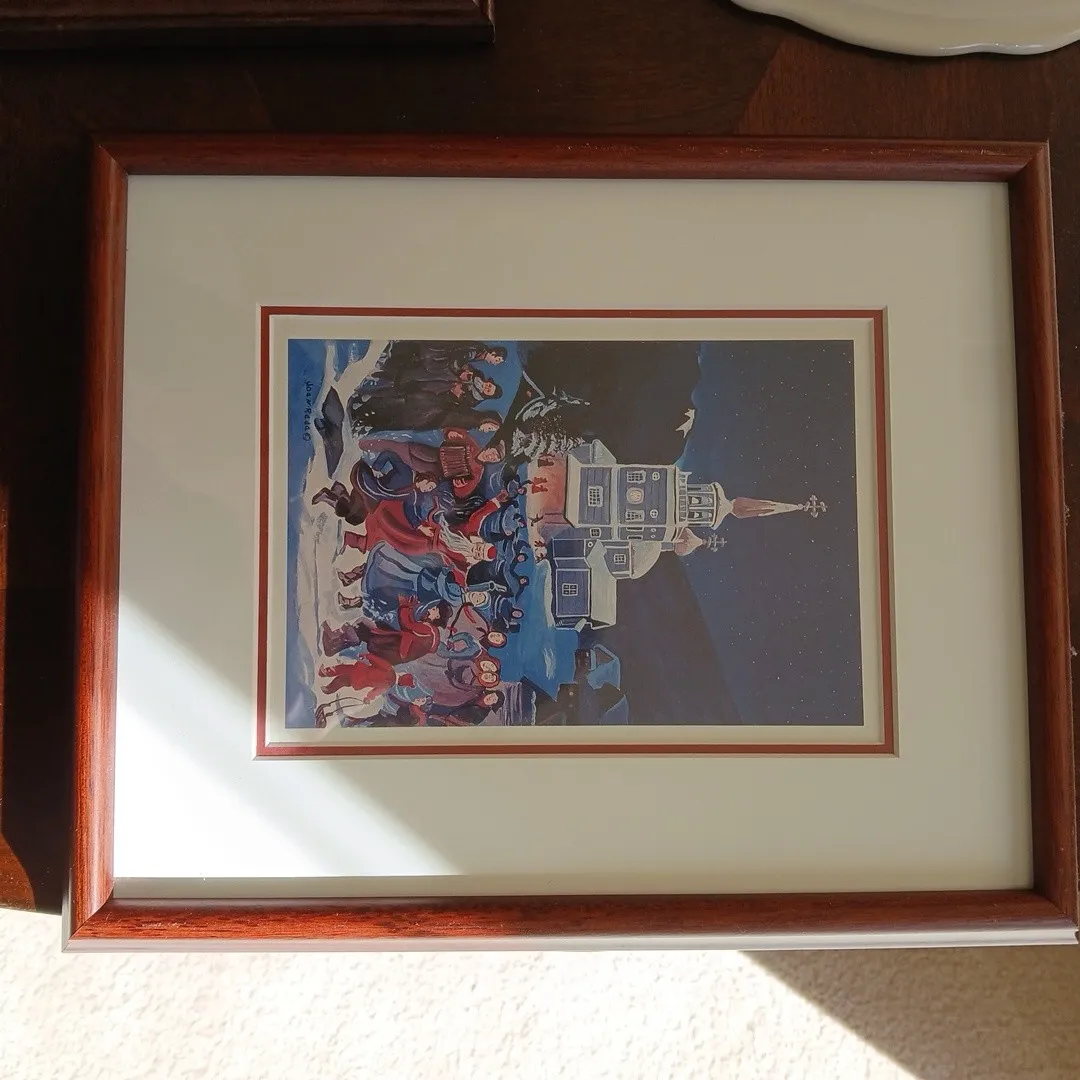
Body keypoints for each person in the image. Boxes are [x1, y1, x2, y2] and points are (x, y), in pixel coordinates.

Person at [320, 595, 475, 664]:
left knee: (362, 625)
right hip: (394, 652)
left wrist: (404, 606)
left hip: (393, 645)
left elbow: (407, 624)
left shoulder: (430, 630)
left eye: (434, 609)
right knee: (368, 628)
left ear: (437, 616)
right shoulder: (432, 634)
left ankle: (334, 642)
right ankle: (337, 643)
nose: (430, 609)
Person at [311, 451, 436, 527]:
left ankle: (339, 491)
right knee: (351, 513)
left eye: (430, 489)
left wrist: (419, 526)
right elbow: (389, 454)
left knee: (355, 519)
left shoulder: (414, 494)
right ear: (425, 478)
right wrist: (377, 467)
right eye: (429, 486)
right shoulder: (407, 472)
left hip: (374, 497)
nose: (428, 489)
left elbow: (410, 509)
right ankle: (329, 496)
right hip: (370, 484)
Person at [318, 653, 430, 704]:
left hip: (360, 670)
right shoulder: (387, 686)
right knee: (342, 681)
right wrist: (368, 698)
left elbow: (377, 661)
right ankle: (328, 689)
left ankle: (325, 673)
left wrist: (368, 656)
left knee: (342, 669)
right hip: (359, 682)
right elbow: (374, 692)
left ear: (401, 674)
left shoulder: (389, 669)